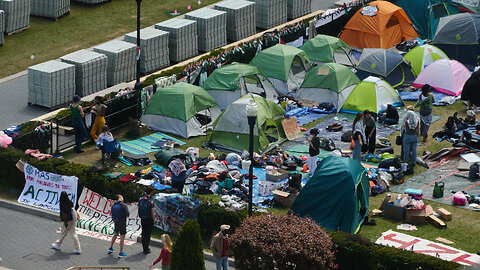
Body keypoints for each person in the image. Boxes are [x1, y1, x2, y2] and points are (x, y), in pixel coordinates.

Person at [139, 186, 156, 255]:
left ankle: (144, 247)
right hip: (149, 219)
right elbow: (153, 212)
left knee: (143, 232)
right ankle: (146, 248)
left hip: (142, 218)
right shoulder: (151, 201)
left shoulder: (140, 199)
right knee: (148, 234)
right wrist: (154, 220)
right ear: (151, 192)